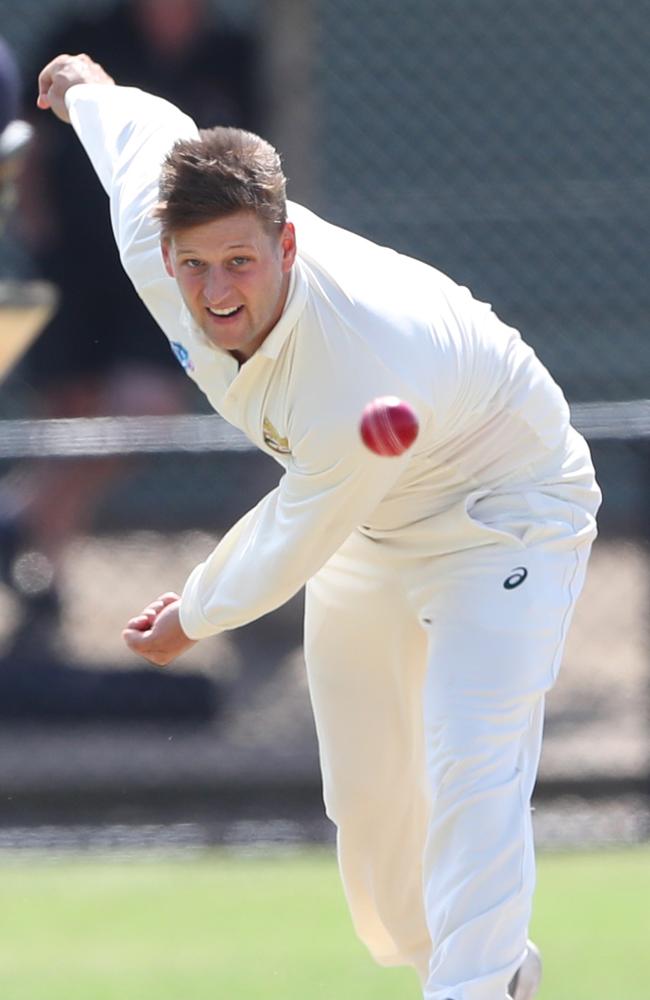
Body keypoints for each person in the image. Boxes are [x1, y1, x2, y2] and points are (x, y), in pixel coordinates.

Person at [36, 53, 601, 1000]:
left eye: (242, 263)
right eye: (197, 266)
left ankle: (473, 986)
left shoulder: (360, 359)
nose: (217, 294)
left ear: (288, 246)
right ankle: (492, 972)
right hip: (371, 520)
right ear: (166, 252)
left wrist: (195, 614)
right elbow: (137, 137)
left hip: (506, 512)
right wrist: (87, 89)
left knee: (471, 747)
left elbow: (301, 526)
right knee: (371, 819)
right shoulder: (152, 238)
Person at [1, 0, 263, 653]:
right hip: (79, 263)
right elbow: (29, 143)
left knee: (144, 410)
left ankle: (14, 519)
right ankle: (44, 586)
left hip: (170, 269)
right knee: (73, 418)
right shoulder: (85, 35)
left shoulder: (232, 52)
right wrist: (37, 221)